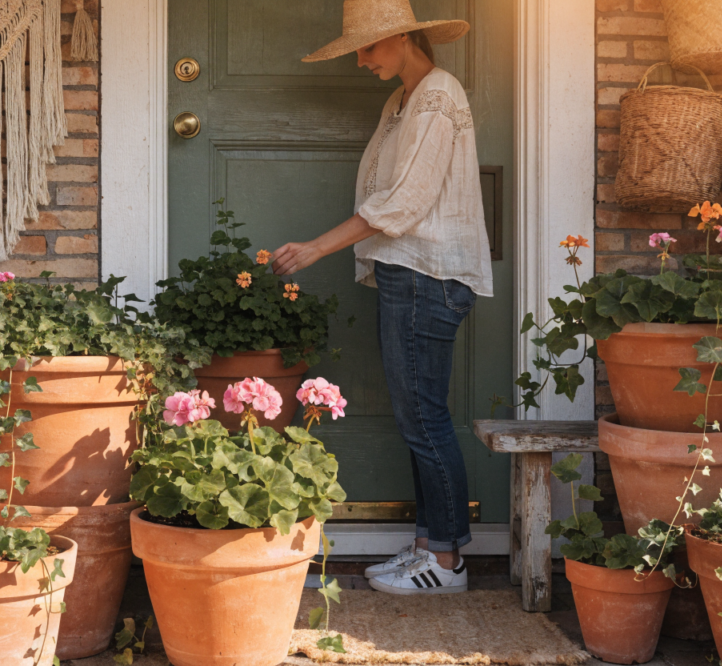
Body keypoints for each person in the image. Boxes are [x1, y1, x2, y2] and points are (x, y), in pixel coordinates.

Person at [271, 0, 493, 595]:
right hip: (408, 273)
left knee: (423, 418)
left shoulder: (439, 94)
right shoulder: (402, 101)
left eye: (368, 47)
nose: (363, 61)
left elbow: (402, 203)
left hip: (428, 276)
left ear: (400, 37)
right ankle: (428, 544)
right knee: (415, 417)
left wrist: (318, 247)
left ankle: (446, 564)